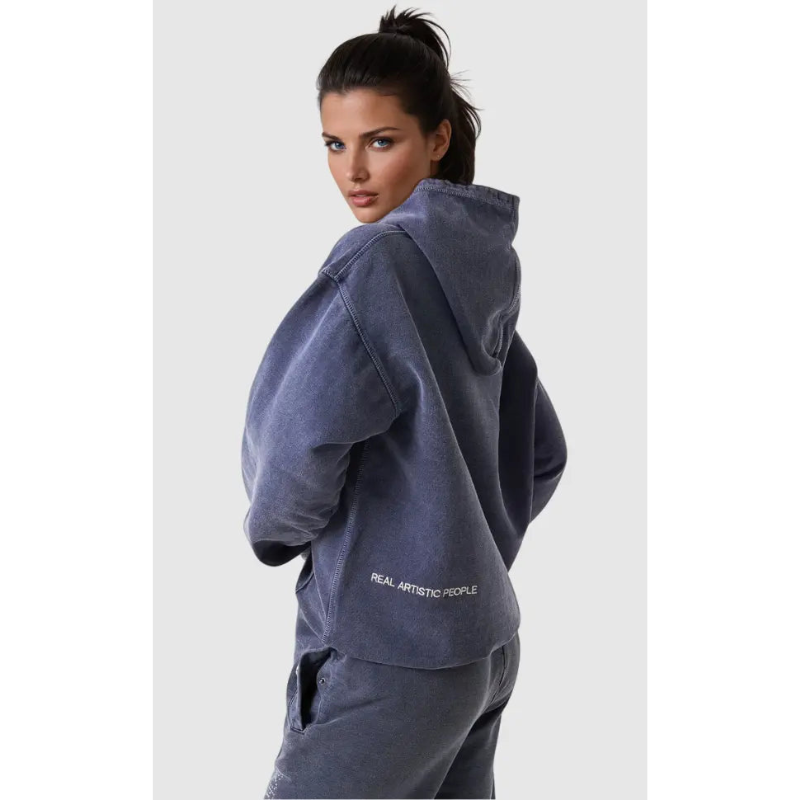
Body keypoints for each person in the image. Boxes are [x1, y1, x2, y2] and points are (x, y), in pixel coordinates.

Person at [239, 6, 568, 798]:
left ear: (438, 138)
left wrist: (275, 533)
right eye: (334, 144)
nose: (353, 170)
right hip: (482, 649)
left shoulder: (378, 264)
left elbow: (294, 452)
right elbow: (545, 452)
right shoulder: (481, 270)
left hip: (389, 657)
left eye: (380, 141)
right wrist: (460, 551)